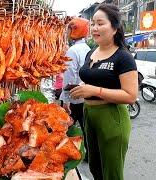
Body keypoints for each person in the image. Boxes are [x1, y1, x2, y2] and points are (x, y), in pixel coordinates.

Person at [70, 4, 138, 180]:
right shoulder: (91, 53)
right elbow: (92, 79)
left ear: (114, 28)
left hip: (112, 117)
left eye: (100, 23)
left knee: (111, 173)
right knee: (95, 168)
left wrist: (94, 90)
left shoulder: (123, 57)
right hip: (89, 114)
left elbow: (131, 96)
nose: (94, 28)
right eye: (93, 24)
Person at [59, 17, 90, 160]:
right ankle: (88, 154)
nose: (68, 32)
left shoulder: (72, 50)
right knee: (85, 127)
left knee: (64, 128)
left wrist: (66, 101)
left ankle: (64, 153)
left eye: (70, 29)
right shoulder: (88, 49)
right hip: (85, 96)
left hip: (74, 97)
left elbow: (69, 77)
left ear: (75, 30)